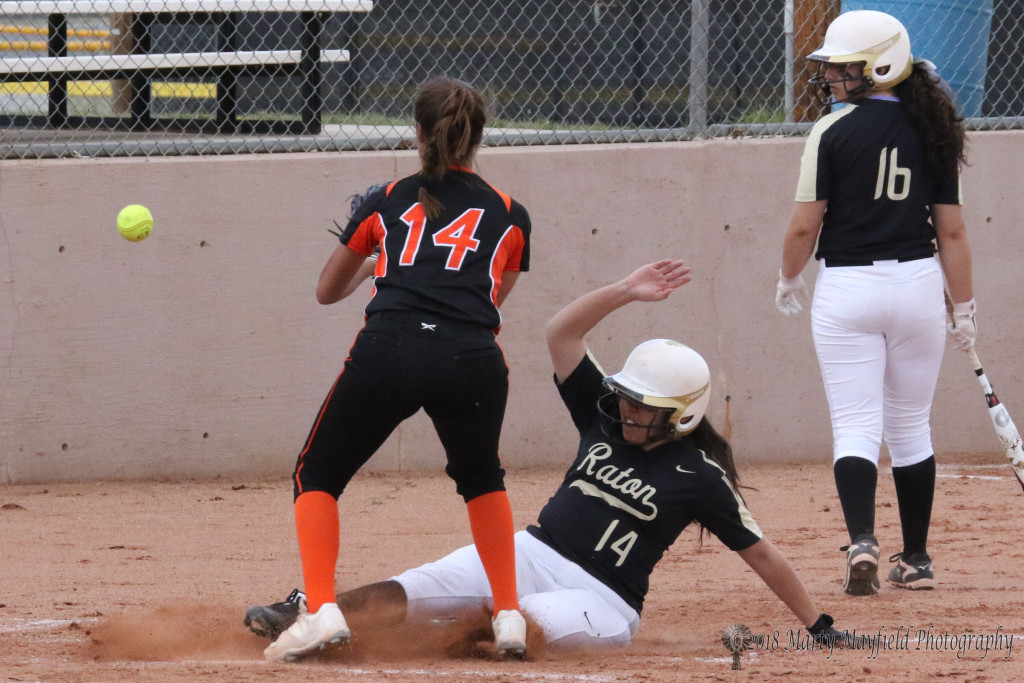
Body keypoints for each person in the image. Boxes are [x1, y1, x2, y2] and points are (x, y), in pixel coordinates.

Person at [248, 260, 847, 651]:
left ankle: (408, 647)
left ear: (683, 415)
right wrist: (625, 292)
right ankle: (315, 614)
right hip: (530, 554)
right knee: (420, 585)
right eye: (628, 398)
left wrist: (818, 626)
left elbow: (762, 555)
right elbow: (561, 333)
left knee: (518, 625)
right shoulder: (604, 418)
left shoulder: (700, 475)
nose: (629, 411)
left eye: (645, 407)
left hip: (602, 601)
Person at [263, 76, 532, 662]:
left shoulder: (385, 198)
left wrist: (375, 260)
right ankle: (509, 615)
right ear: (477, 138)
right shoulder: (513, 214)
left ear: (418, 134)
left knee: (318, 475)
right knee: (482, 477)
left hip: (392, 346)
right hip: (472, 356)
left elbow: (326, 292)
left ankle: (322, 610)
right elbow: (489, 302)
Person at [774, 10, 976, 596]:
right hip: (917, 285)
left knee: (856, 425)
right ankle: (916, 559)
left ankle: (862, 538)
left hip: (848, 290)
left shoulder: (830, 131)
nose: (834, 77)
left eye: (844, 68)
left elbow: (802, 228)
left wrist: (788, 278)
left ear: (880, 65)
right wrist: (963, 307)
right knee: (912, 426)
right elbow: (953, 233)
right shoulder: (936, 129)